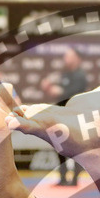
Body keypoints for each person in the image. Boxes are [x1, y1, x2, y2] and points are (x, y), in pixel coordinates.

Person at [40, 47, 88, 185]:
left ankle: (74, 179)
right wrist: (50, 88)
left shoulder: (80, 75)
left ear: (76, 58)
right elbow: (58, 92)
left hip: (75, 117)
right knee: (59, 146)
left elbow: (71, 93)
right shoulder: (65, 74)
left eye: (69, 56)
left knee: (77, 148)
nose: (65, 59)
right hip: (61, 116)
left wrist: (58, 90)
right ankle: (62, 177)